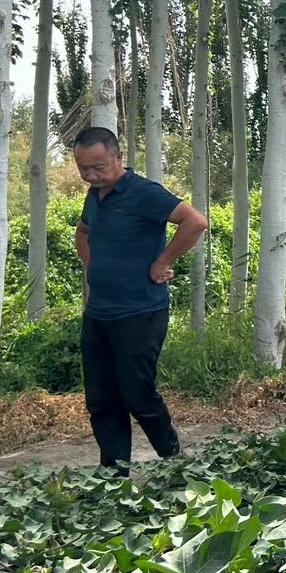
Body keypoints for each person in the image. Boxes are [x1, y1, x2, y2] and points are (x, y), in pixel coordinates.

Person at [72, 126, 209, 473]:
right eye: (84, 169)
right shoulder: (95, 195)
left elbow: (194, 221)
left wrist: (162, 262)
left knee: (137, 392)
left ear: (119, 157)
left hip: (140, 312)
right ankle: (113, 473)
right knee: (101, 399)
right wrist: (92, 265)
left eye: (98, 167)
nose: (91, 175)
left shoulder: (143, 192)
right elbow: (84, 230)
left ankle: (174, 460)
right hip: (99, 314)